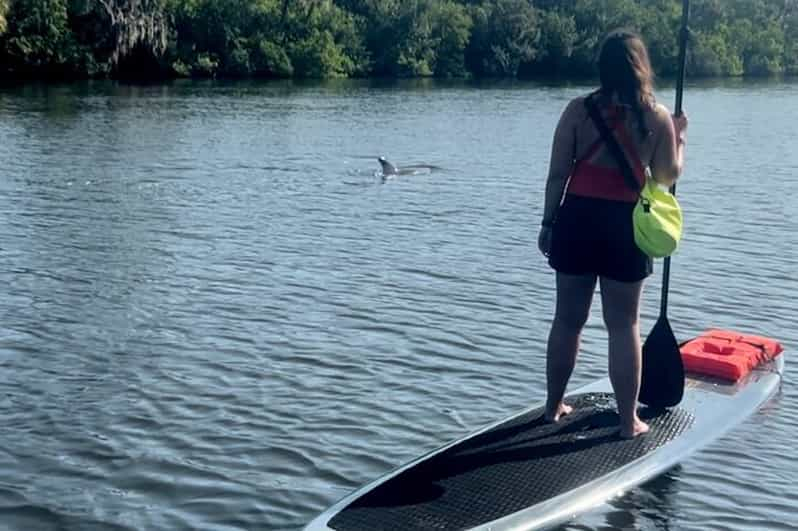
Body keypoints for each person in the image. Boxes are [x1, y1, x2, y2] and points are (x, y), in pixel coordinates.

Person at [537, 29, 688, 439]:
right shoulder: (656, 118)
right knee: (624, 325)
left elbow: (557, 175)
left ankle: (553, 407)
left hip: (576, 220)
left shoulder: (577, 111)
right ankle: (628, 422)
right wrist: (681, 138)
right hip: (624, 224)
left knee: (568, 320)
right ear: (641, 67)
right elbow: (665, 177)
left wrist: (548, 223)